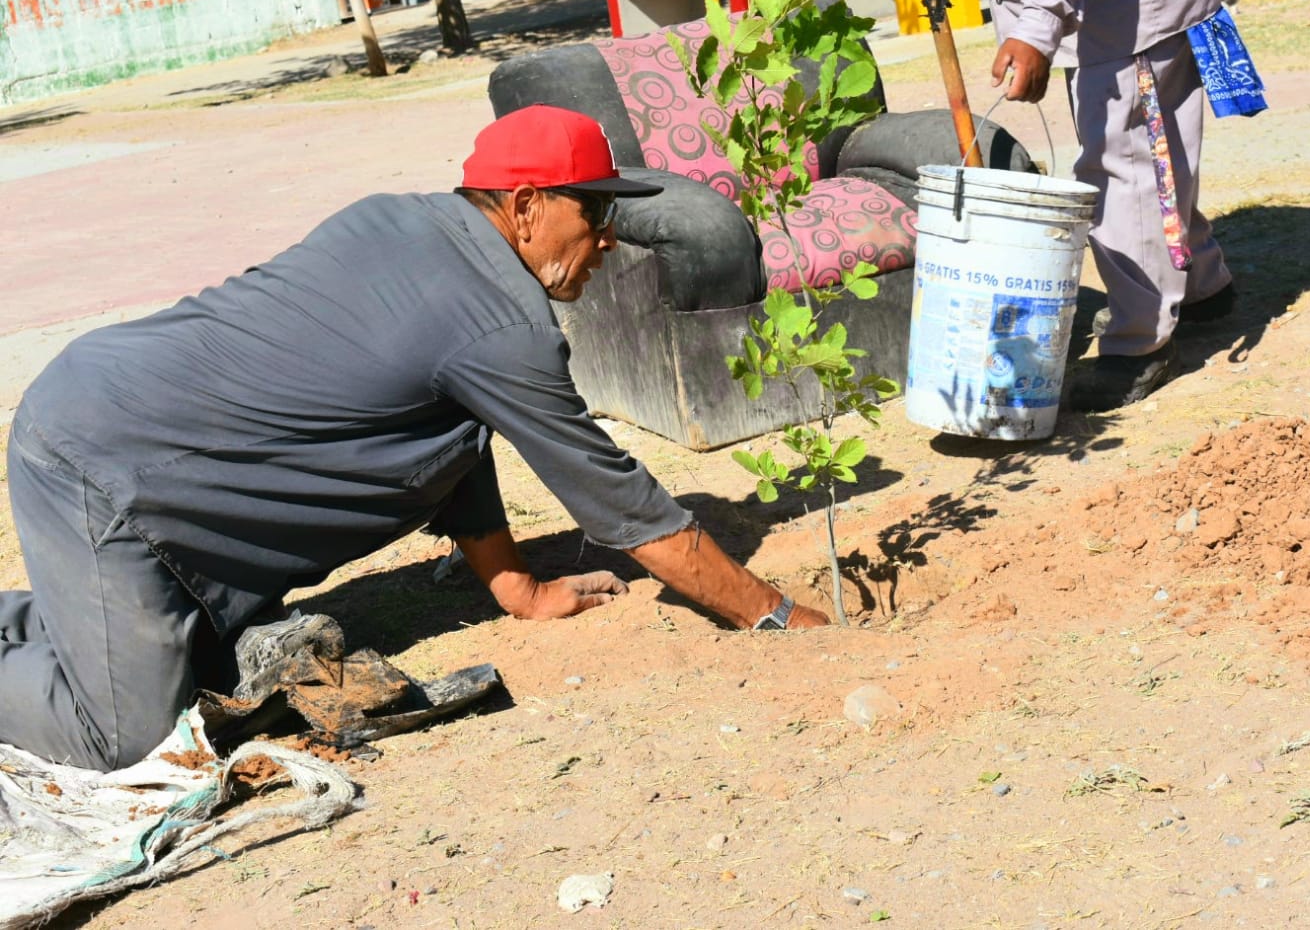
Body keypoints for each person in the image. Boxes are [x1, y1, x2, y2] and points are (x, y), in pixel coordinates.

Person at [0, 105, 828, 773]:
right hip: (101, 462)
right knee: (125, 737)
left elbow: (454, 428)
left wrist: (518, 588)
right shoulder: (500, 327)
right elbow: (624, 506)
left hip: (129, 431)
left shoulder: (399, 220)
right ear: (527, 205)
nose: (609, 237)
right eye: (596, 209)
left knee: (151, 649)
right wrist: (774, 615)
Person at [952, 0, 1236, 411]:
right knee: (1147, 144)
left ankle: (1140, 344)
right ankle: (1200, 285)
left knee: (1123, 156)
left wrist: (1038, 23)